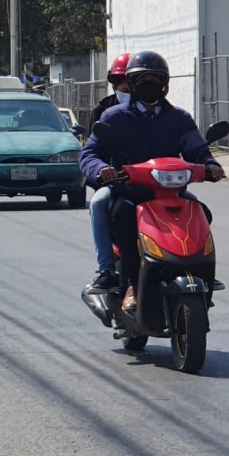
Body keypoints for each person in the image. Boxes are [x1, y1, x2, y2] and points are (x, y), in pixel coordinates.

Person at [80, 51, 225, 310]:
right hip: (130, 191)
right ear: (132, 84)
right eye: (142, 79)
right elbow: (90, 152)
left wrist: (211, 165)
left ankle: (200, 272)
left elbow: (197, 150)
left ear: (165, 83)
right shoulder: (114, 117)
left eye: (155, 79)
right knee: (121, 215)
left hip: (171, 193)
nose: (150, 85)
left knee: (201, 213)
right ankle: (131, 285)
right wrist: (101, 169)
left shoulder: (179, 118)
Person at [85, 53, 132, 292]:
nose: (128, 87)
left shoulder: (165, 112)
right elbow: (91, 151)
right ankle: (106, 269)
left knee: (194, 206)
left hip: (155, 182)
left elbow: (186, 143)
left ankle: (197, 265)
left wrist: (204, 162)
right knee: (98, 204)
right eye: (123, 82)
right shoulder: (105, 112)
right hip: (118, 182)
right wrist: (102, 171)